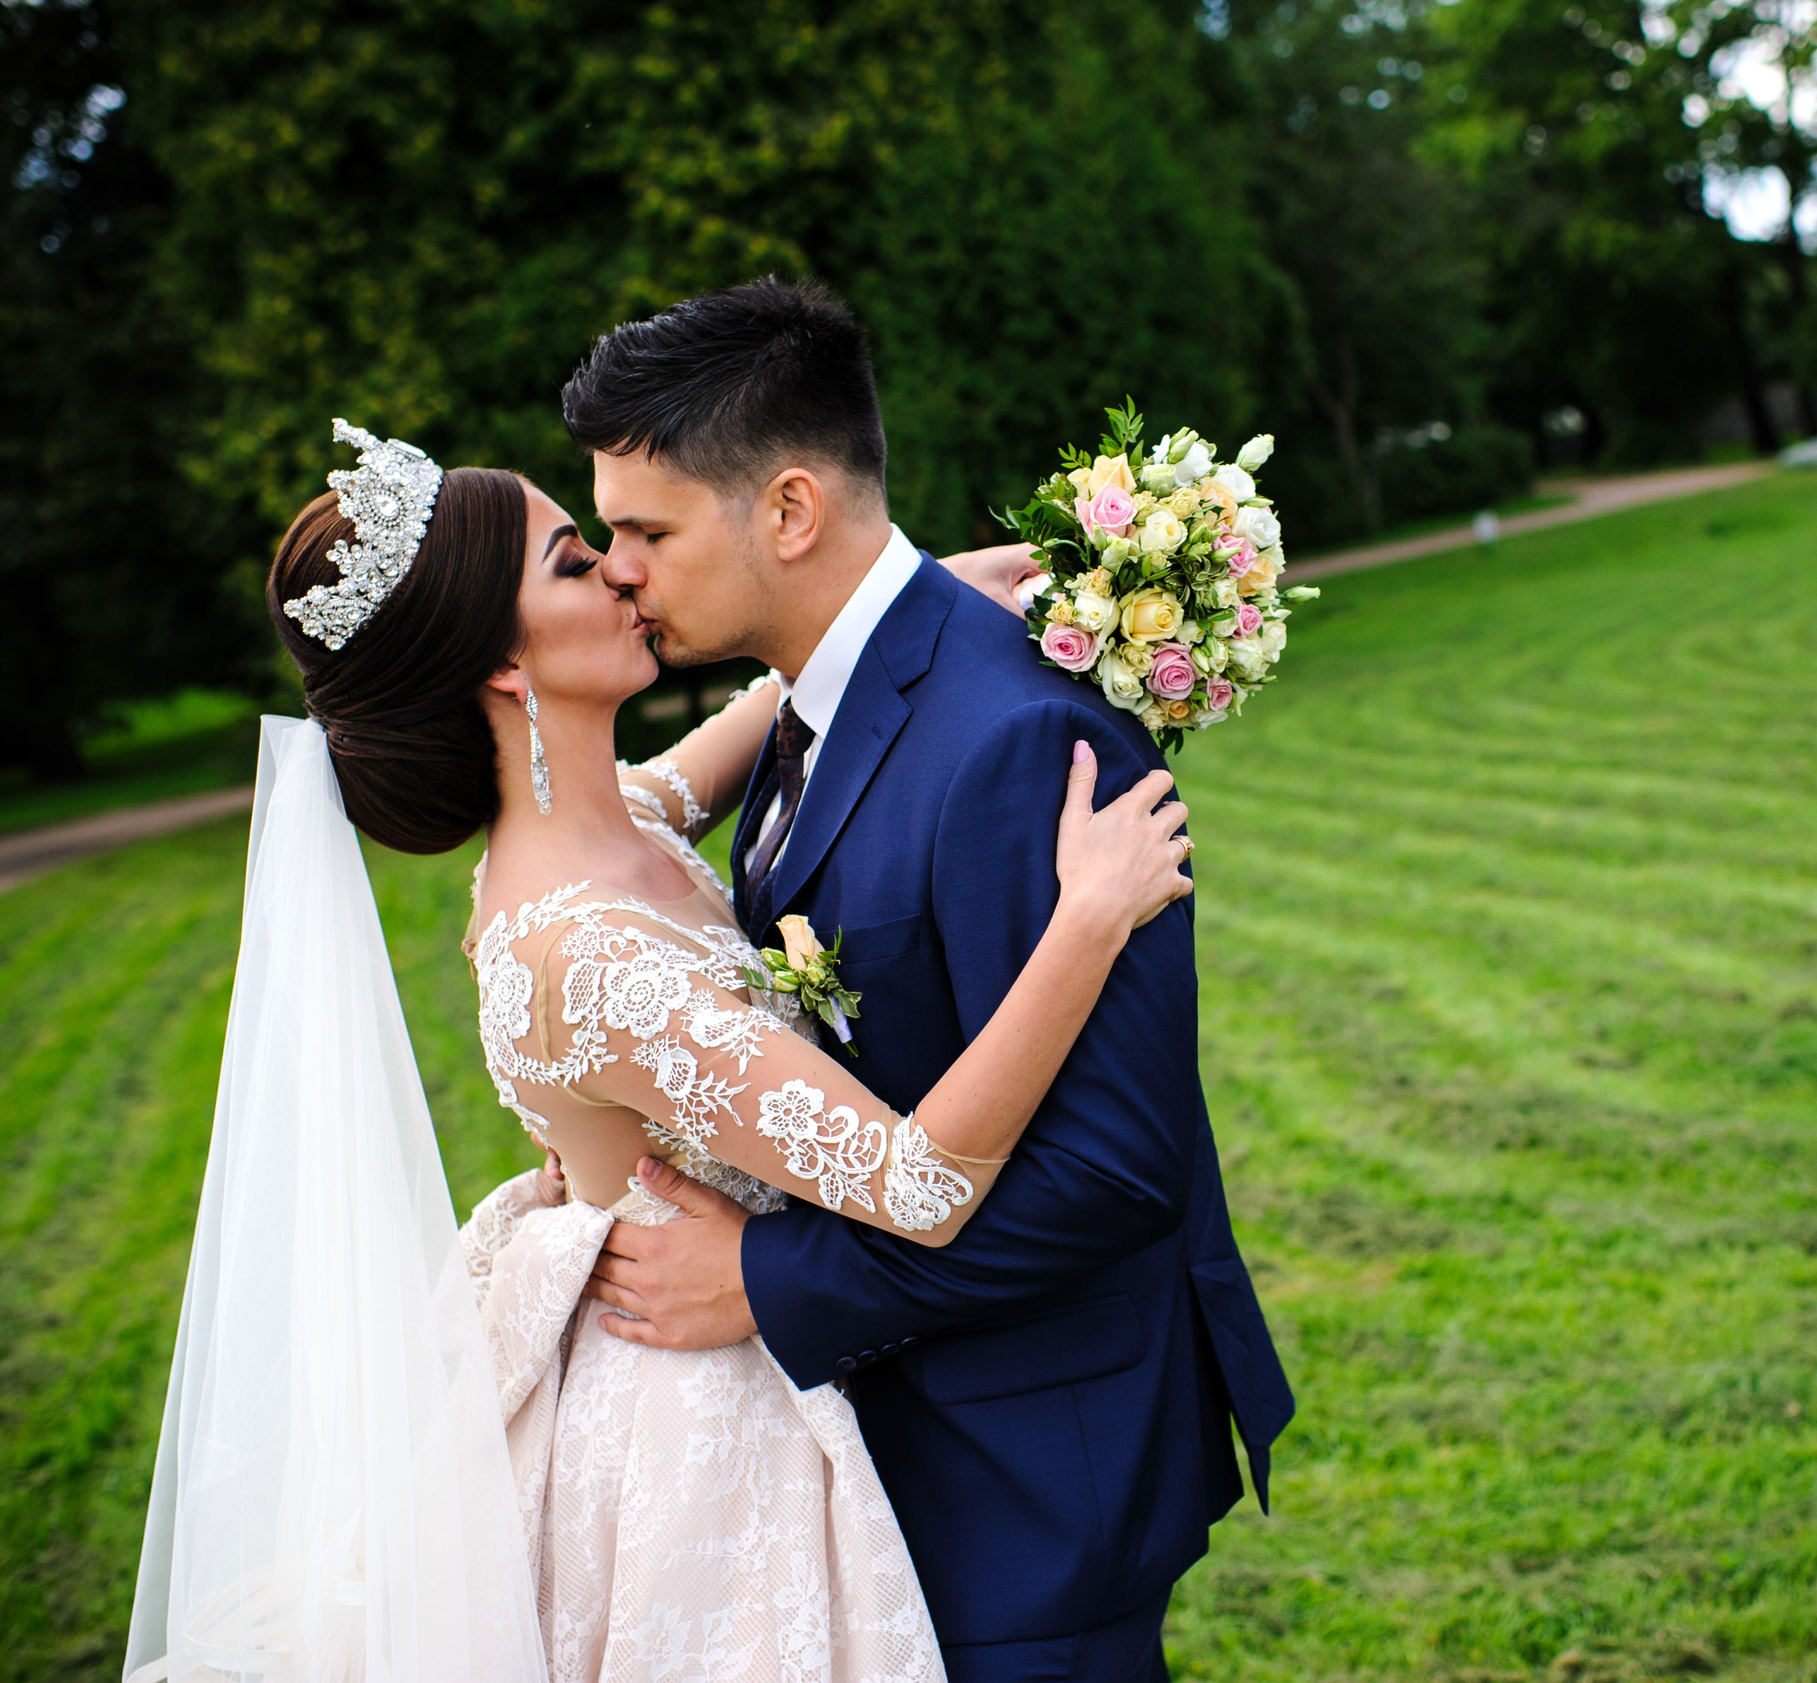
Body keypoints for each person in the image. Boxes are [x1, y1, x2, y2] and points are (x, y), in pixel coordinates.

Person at [125, 409, 1204, 1681]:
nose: (625, 569)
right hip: (699, 1429)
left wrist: (915, 592)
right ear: (507, 670)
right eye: (577, 561)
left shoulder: (623, 812)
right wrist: (1085, 919)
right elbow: (917, 1185)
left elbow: (757, 712)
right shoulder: (581, 960)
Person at [561, 278, 1295, 1682]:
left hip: (1028, 1479)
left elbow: (1113, 1174)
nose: (620, 568)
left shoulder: (1014, 740)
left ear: (787, 512)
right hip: (911, 1449)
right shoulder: (820, 696)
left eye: (646, 529)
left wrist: (768, 1279)